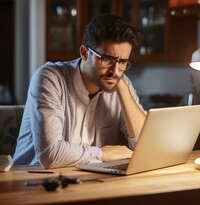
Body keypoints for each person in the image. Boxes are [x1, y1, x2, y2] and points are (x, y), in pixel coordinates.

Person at [13, 14, 146, 168]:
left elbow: (145, 146)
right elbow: (50, 154)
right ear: (84, 53)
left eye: (122, 61)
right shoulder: (49, 78)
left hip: (84, 180)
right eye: (107, 59)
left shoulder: (119, 81)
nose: (115, 70)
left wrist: (122, 89)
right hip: (30, 180)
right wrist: (102, 153)